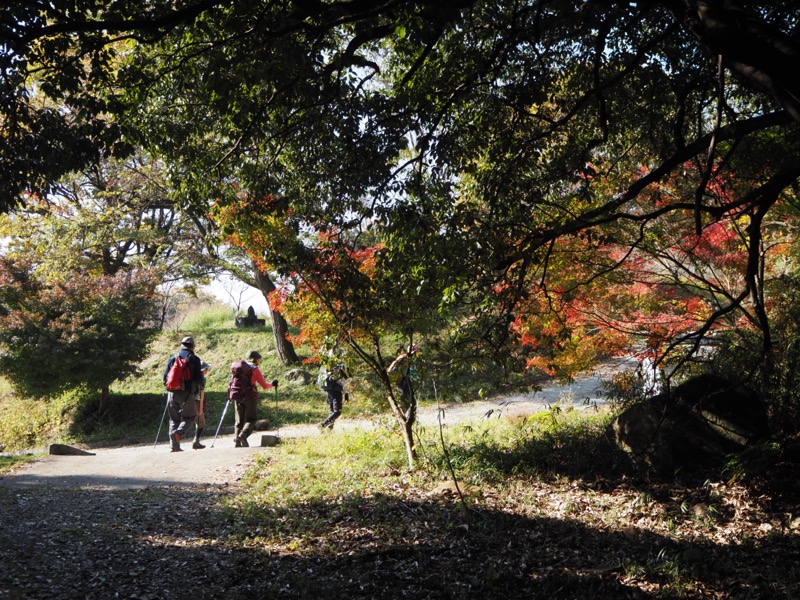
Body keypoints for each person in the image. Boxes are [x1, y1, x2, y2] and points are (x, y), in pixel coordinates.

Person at [228, 350, 278, 447]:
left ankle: (237, 441)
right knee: (251, 419)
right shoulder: (254, 369)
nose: (259, 362)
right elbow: (264, 385)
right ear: (255, 360)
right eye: (258, 359)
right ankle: (243, 435)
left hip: (237, 396)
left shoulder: (237, 367)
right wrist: (272, 384)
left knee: (239, 420)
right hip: (249, 397)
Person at [163, 336, 204, 452]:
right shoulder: (195, 359)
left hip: (172, 392)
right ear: (193, 347)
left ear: (181, 345)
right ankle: (178, 433)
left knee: (174, 419)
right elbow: (199, 379)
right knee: (190, 416)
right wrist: (197, 390)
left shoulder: (173, 358)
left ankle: (174, 446)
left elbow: (165, 376)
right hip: (186, 392)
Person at [319, 364, 349, 431]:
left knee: (332, 411)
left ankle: (330, 428)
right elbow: (344, 381)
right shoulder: (340, 365)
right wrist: (346, 393)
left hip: (328, 390)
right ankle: (323, 425)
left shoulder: (326, 364)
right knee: (337, 412)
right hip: (336, 391)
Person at [191, 361, 211, 449]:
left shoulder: (192, 377)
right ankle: (196, 441)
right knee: (201, 423)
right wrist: (201, 407)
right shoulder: (202, 379)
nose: (207, 371)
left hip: (187, 400)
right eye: (206, 369)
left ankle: (176, 443)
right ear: (203, 370)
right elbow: (201, 393)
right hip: (197, 401)